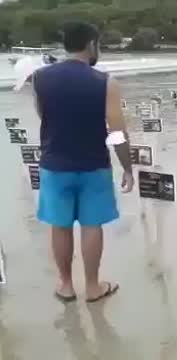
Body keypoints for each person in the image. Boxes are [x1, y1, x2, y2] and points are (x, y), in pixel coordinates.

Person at [33, 22, 134, 303]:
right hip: (93, 165)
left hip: (55, 164)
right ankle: (92, 286)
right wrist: (127, 167)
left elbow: (44, 115)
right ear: (91, 45)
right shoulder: (105, 82)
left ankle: (65, 285)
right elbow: (116, 132)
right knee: (92, 225)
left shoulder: (40, 78)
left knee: (60, 225)